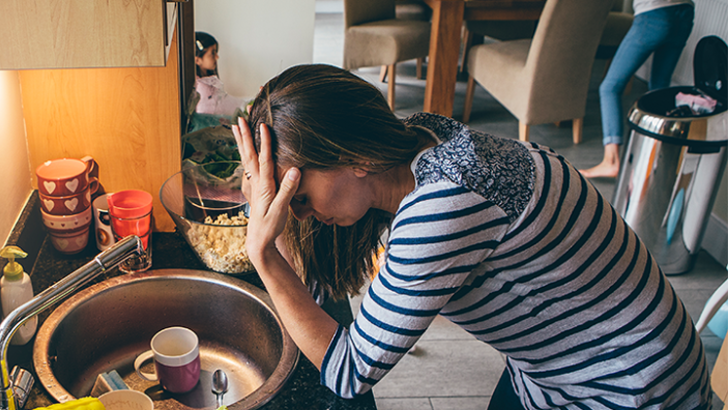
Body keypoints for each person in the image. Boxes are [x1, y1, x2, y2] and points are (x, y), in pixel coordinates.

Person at [231, 64, 712, 409]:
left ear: (356, 158)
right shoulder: (421, 137)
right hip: (555, 368)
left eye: (296, 196)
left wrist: (263, 251)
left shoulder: (440, 211)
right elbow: (313, 295)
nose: (301, 216)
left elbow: (347, 372)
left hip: (628, 385)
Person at [580, 0, 695, 178]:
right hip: (685, 11)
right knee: (659, 88)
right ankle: (656, 159)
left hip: (654, 13)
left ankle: (611, 162)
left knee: (610, 87)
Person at [193, 31, 247, 117]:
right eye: (212, 53)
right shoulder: (201, 87)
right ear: (197, 60)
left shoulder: (208, 79)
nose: (217, 57)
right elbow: (206, 112)